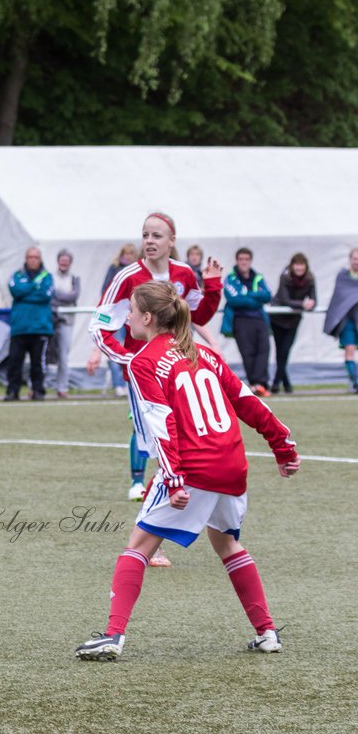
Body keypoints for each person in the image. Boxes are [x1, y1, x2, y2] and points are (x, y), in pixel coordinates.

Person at [74, 281, 299, 662]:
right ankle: (267, 632)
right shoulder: (205, 353)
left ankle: (112, 636)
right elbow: (247, 401)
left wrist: (174, 479)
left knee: (138, 546)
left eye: (131, 310)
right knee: (227, 544)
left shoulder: (144, 361)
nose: (126, 316)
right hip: (231, 466)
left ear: (147, 318)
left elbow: (162, 424)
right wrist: (283, 445)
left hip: (193, 469)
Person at [87, 212, 222, 512]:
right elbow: (99, 326)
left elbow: (198, 316)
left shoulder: (185, 274)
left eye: (157, 235)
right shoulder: (127, 277)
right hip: (145, 375)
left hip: (178, 368)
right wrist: (130, 358)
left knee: (181, 430)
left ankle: (178, 489)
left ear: (172, 241)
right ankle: (144, 492)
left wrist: (213, 287)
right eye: (145, 235)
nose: (149, 241)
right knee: (150, 434)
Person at [5, 247, 54, 401]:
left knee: (38, 363)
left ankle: (38, 390)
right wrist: (33, 287)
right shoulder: (17, 275)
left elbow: (45, 296)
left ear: (40, 259)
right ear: (26, 258)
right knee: (14, 361)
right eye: (30, 257)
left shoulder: (47, 276)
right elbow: (15, 291)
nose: (33, 260)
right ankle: (12, 391)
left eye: (36, 257)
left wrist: (25, 293)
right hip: (19, 327)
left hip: (40, 327)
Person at [222, 248, 272, 396]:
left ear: (250, 261)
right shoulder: (231, 278)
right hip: (241, 320)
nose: (244, 262)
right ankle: (255, 383)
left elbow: (268, 296)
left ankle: (261, 383)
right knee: (247, 352)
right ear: (237, 261)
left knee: (264, 349)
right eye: (241, 259)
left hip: (259, 319)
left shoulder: (258, 277)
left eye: (246, 259)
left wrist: (248, 295)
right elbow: (234, 299)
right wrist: (255, 298)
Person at [269, 253, 316, 394]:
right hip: (277, 318)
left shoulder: (310, 279)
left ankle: (278, 383)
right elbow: (284, 299)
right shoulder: (285, 276)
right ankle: (283, 383)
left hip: (293, 320)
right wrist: (303, 304)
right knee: (280, 352)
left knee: (285, 351)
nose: (299, 267)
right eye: (296, 264)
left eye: (302, 264)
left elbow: (314, 300)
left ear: (306, 266)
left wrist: (310, 304)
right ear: (292, 265)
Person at [101, 243, 140, 397]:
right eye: (126, 253)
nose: (128, 256)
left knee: (134, 349)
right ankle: (118, 383)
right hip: (117, 317)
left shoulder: (139, 270)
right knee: (115, 348)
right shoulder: (114, 269)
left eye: (131, 253)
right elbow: (106, 290)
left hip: (133, 316)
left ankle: (130, 381)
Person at [322, 247, 358, 393]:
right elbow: (340, 298)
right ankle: (355, 380)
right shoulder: (343, 276)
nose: (357, 262)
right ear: (350, 260)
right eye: (355, 259)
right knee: (349, 349)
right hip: (347, 320)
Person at [49, 249, 80, 399]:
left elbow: (74, 295)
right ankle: (36, 386)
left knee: (63, 355)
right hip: (50, 319)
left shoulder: (74, 278)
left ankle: (62, 387)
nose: (64, 263)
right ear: (57, 261)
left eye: (66, 261)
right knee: (42, 354)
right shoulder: (50, 277)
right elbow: (51, 295)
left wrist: (58, 295)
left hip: (67, 320)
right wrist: (65, 296)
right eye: (62, 260)